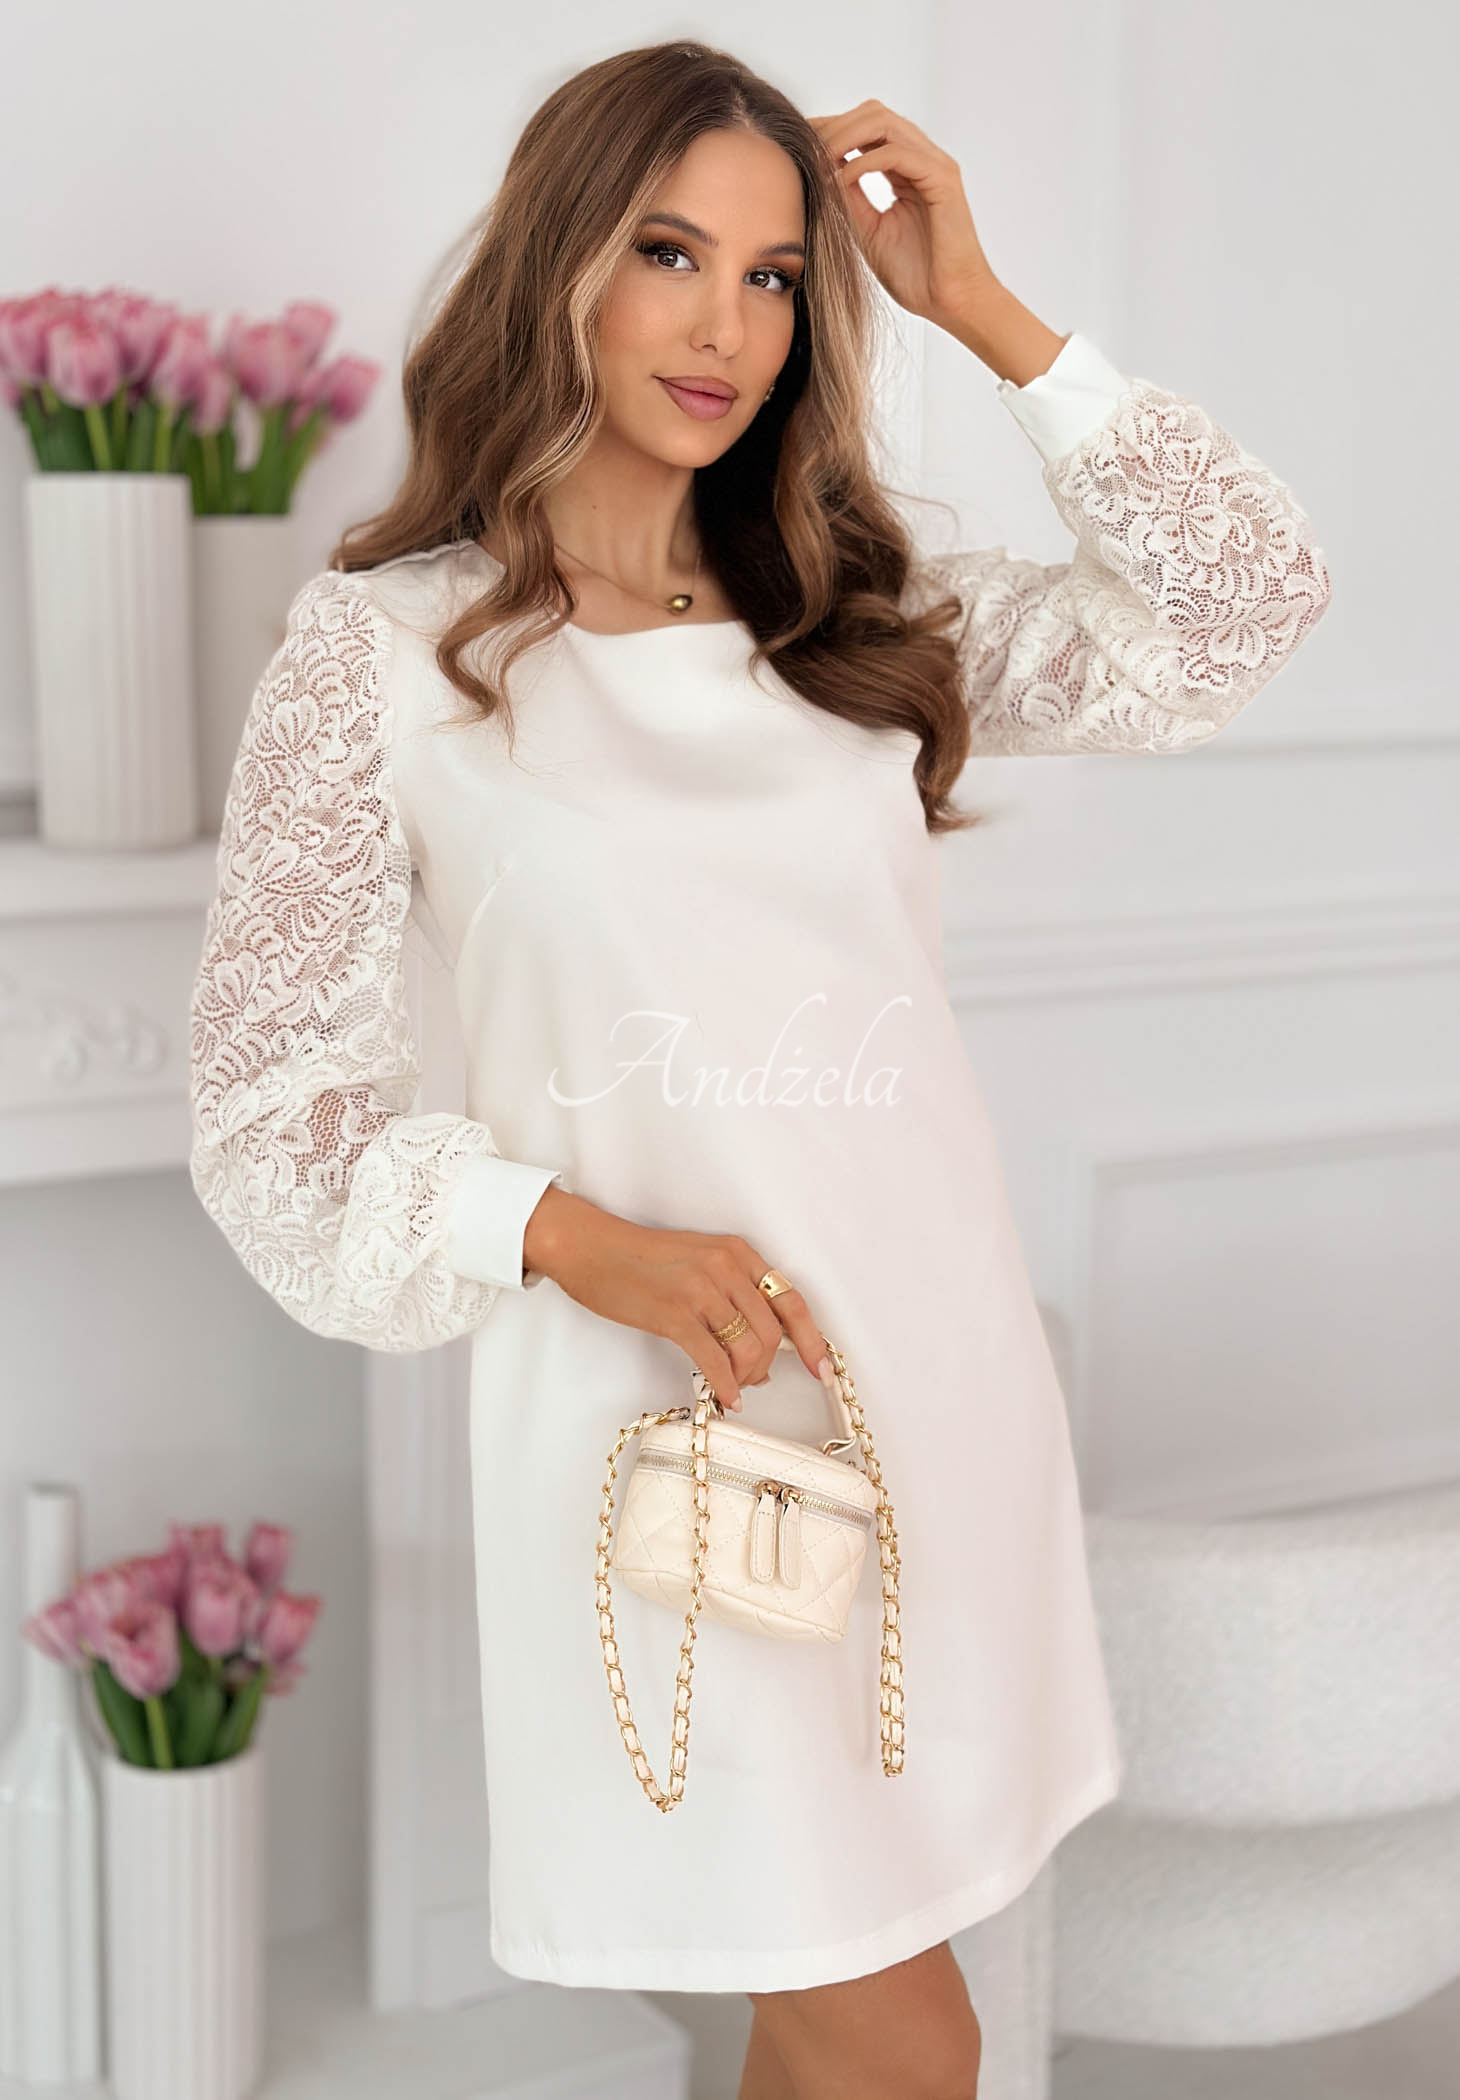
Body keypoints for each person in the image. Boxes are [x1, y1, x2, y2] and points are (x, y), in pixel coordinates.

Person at [186, 39, 1331, 2100]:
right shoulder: (385, 654)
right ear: (558, 262)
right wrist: (564, 1233)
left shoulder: (848, 617)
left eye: (776, 275)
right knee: (899, 2034)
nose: (724, 323)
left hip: (932, 1396)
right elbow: (272, 1118)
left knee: (830, 2018)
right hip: (669, 1453)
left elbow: (1243, 602)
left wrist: (979, 304)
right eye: (668, 253)